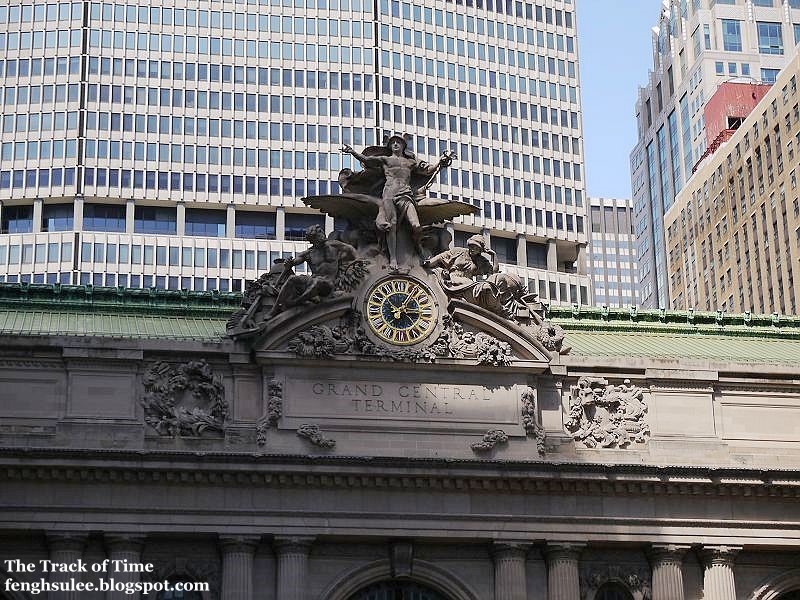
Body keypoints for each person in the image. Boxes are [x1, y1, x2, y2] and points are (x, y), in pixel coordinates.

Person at [341, 136, 452, 270]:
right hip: (389, 195)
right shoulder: (386, 160)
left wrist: (440, 161)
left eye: (398, 142)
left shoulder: (410, 162)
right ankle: (393, 258)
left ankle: (418, 246)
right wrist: (353, 152)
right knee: (391, 226)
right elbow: (367, 160)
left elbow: (428, 170)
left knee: (416, 225)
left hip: (405, 194)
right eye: (392, 142)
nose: (395, 144)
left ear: (403, 146)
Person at [268, 224, 357, 317]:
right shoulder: (309, 253)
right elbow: (296, 261)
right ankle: (274, 309)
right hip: (312, 281)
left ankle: (295, 302)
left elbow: (350, 248)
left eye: (321, 232)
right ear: (312, 239)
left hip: (328, 283)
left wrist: (358, 259)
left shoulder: (334, 245)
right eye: (318, 235)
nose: (322, 235)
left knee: (317, 282)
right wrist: (289, 263)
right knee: (292, 278)